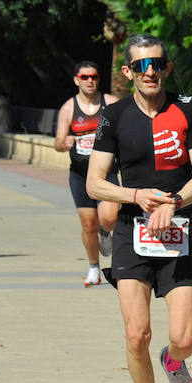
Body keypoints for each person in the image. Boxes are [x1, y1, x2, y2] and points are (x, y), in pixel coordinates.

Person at [86, 34, 192, 383]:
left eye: (157, 63)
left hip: (178, 231)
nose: (150, 72)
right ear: (128, 72)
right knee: (136, 333)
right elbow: (95, 182)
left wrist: (174, 202)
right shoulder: (114, 116)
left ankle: (174, 362)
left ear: (167, 67)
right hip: (131, 231)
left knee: (185, 337)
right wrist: (137, 196)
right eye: (141, 66)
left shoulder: (188, 109)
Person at [54, 61, 121, 286]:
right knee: (87, 224)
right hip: (80, 174)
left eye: (94, 76)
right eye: (85, 77)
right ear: (76, 80)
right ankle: (94, 267)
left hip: (106, 171)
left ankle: (105, 231)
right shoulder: (68, 108)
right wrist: (66, 142)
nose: (90, 81)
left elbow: (127, 130)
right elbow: (57, 143)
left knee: (109, 217)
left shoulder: (111, 103)